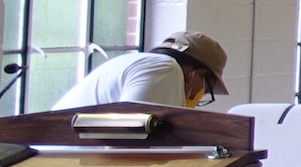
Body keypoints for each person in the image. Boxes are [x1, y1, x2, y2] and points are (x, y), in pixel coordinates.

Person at [51, 31, 230, 110]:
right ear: (196, 75)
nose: (198, 97)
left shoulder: (137, 62)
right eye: (204, 89)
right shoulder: (165, 69)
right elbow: (131, 135)